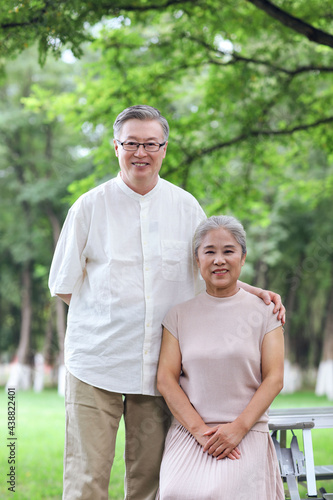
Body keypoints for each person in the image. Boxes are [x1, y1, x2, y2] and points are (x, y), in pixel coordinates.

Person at [48, 105, 285, 500]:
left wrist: (255, 291)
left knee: (148, 483)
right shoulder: (89, 207)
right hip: (96, 362)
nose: (141, 152)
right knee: (86, 481)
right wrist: (109, 316)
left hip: (160, 372)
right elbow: (63, 285)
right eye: (132, 144)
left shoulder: (186, 207)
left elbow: (212, 264)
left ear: (164, 148)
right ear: (116, 146)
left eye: (151, 144)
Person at [156, 215, 285, 500]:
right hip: (191, 433)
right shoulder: (178, 316)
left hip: (246, 432)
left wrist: (237, 429)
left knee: (225, 492)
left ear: (243, 257)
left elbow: (274, 378)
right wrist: (201, 432)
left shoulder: (265, 313)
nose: (219, 260)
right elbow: (166, 380)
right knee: (175, 491)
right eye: (209, 252)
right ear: (196, 259)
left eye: (228, 251)